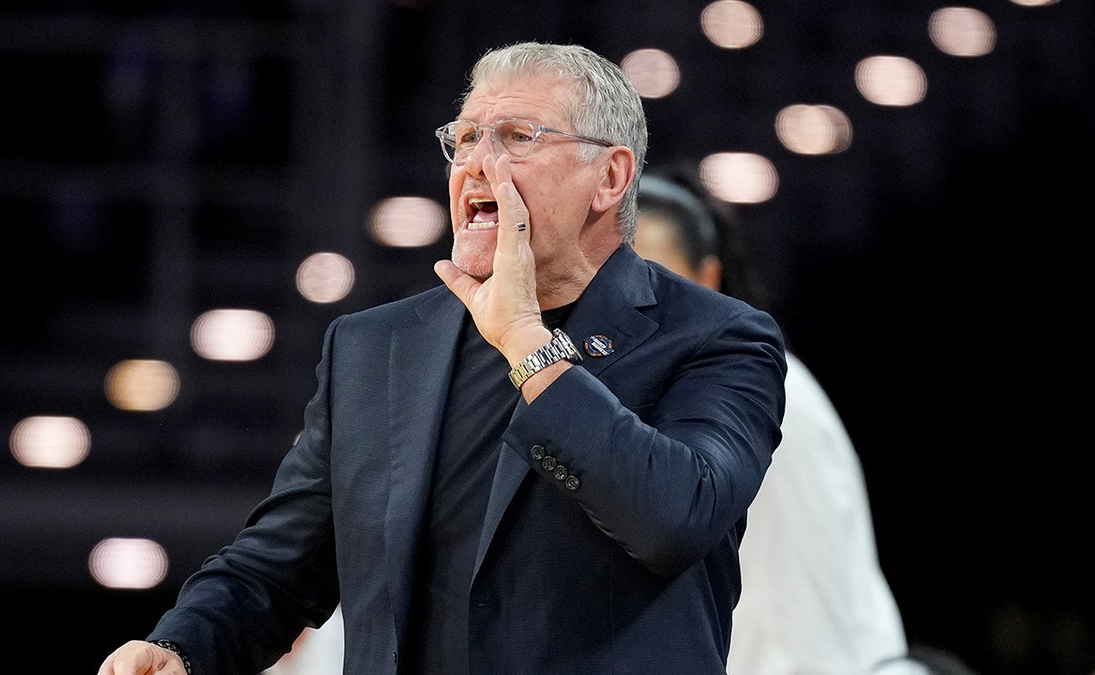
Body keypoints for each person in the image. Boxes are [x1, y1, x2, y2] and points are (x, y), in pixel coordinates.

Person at [98, 41, 787, 674]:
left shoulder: (715, 338)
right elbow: (282, 563)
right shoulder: (373, 346)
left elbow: (674, 516)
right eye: (464, 139)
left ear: (609, 178)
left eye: (517, 137)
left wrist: (526, 339)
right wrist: (181, 646)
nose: (476, 163)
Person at [633, 172, 929, 675]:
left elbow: (806, 626)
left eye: (651, 276)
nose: (629, 300)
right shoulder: (658, 394)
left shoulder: (766, 393)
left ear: (708, 278)